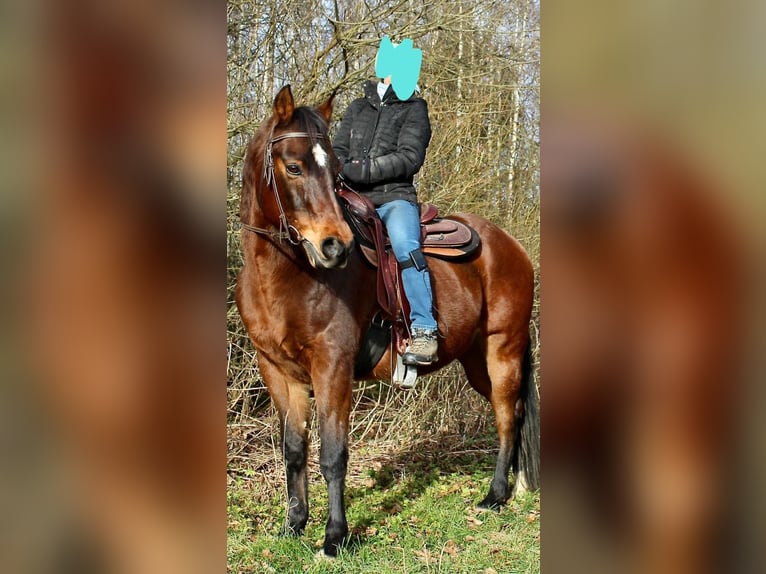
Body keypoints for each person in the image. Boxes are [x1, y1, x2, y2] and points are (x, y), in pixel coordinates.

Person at [333, 37, 438, 366]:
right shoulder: (357, 107)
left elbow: (409, 158)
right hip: (351, 196)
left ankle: (424, 329)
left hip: (394, 197)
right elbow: (338, 150)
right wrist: (336, 170)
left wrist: (361, 170)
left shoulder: (415, 109)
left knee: (407, 247)